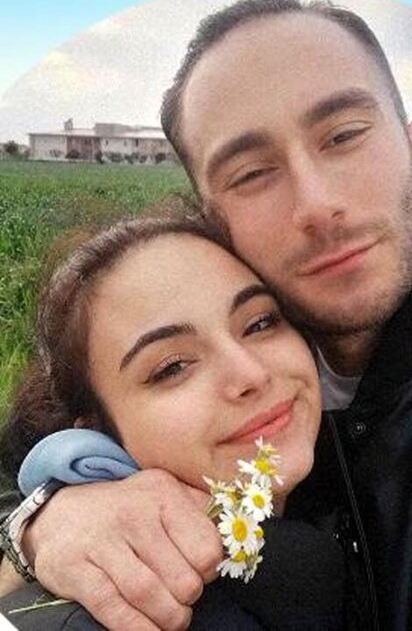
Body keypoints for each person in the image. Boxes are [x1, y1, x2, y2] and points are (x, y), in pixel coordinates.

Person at [2, 0, 412, 631]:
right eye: (250, 172)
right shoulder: (243, 390)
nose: (317, 205)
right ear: (213, 220)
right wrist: (37, 519)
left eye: (344, 136)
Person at [0, 216, 355, 629]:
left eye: (259, 323)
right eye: (173, 367)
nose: (251, 375)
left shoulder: (363, 455)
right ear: (97, 433)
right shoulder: (88, 616)